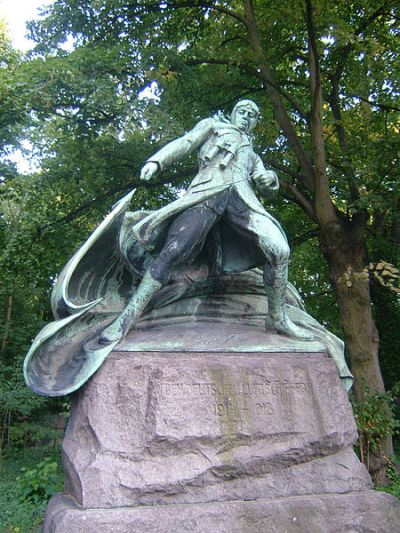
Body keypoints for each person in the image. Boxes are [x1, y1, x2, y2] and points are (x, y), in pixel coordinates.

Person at [100, 100, 312, 343]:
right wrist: (157, 161)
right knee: (174, 251)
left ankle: (277, 318)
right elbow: (186, 142)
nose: (246, 117)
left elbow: (267, 188)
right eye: (241, 112)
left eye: (252, 115)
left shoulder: (252, 155)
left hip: (243, 201)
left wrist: (269, 180)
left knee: (279, 249)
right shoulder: (213, 127)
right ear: (233, 114)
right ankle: (127, 318)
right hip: (207, 192)